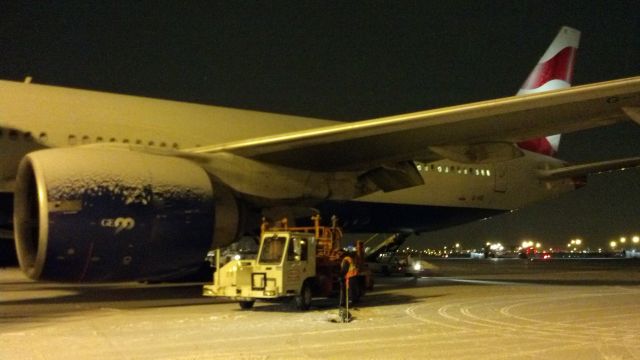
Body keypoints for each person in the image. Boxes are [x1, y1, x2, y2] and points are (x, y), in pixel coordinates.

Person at [338, 254, 357, 322]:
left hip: (350, 276)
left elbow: (344, 270)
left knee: (349, 291)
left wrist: (340, 276)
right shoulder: (349, 259)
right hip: (352, 276)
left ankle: (348, 305)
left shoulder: (345, 260)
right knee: (350, 291)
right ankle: (350, 302)